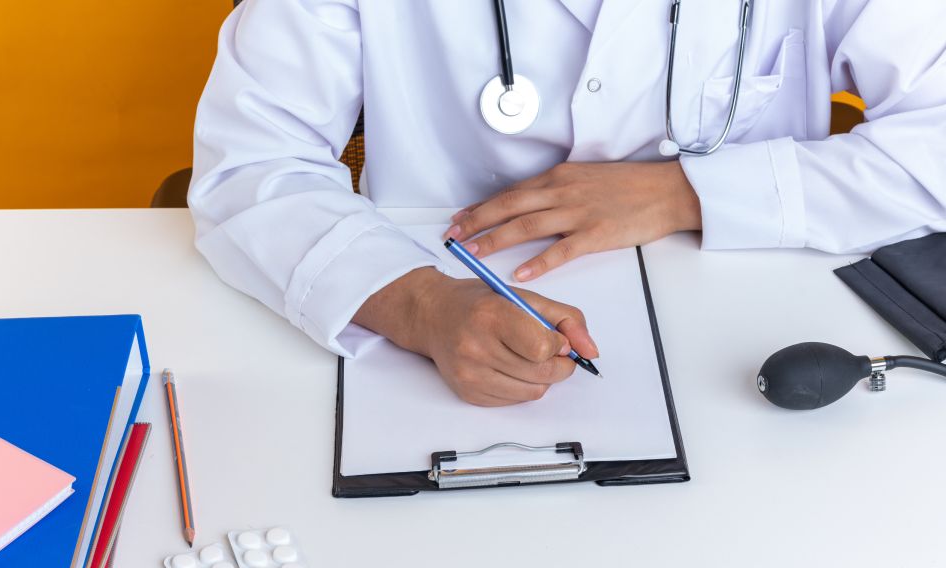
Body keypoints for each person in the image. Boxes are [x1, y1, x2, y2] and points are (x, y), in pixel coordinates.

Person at [189, 0, 946, 407]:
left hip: (750, 339)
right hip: (435, 320)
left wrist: (685, 190)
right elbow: (251, 160)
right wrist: (418, 305)